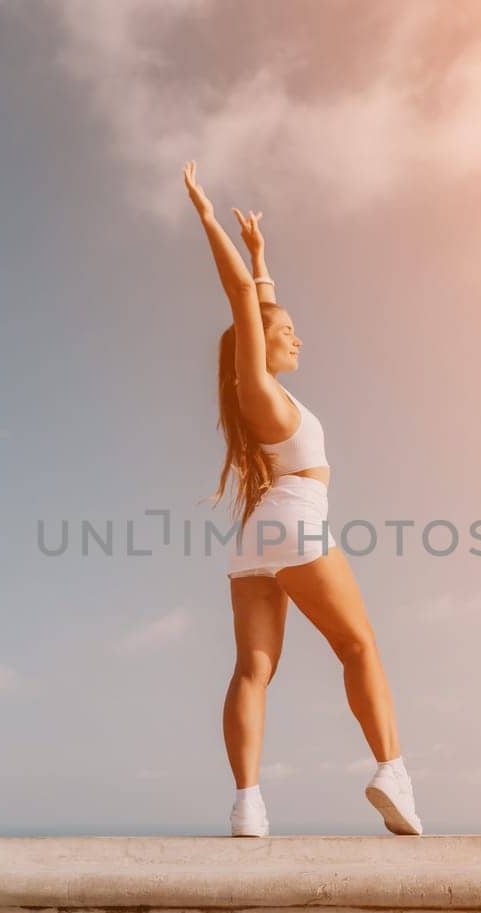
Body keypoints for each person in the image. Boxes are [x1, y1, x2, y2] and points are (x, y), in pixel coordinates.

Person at [182, 160, 423, 838]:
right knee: (359, 646)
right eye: (287, 329)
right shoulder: (257, 390)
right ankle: (391, 770)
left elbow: (256, 305)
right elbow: (242, 304)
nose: (296, 336)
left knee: (254, 668)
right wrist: (205, 216)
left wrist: (262, 257)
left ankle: (248, 803)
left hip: (255, 537)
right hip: (295, 520)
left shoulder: (265, 401)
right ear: (261, 343)